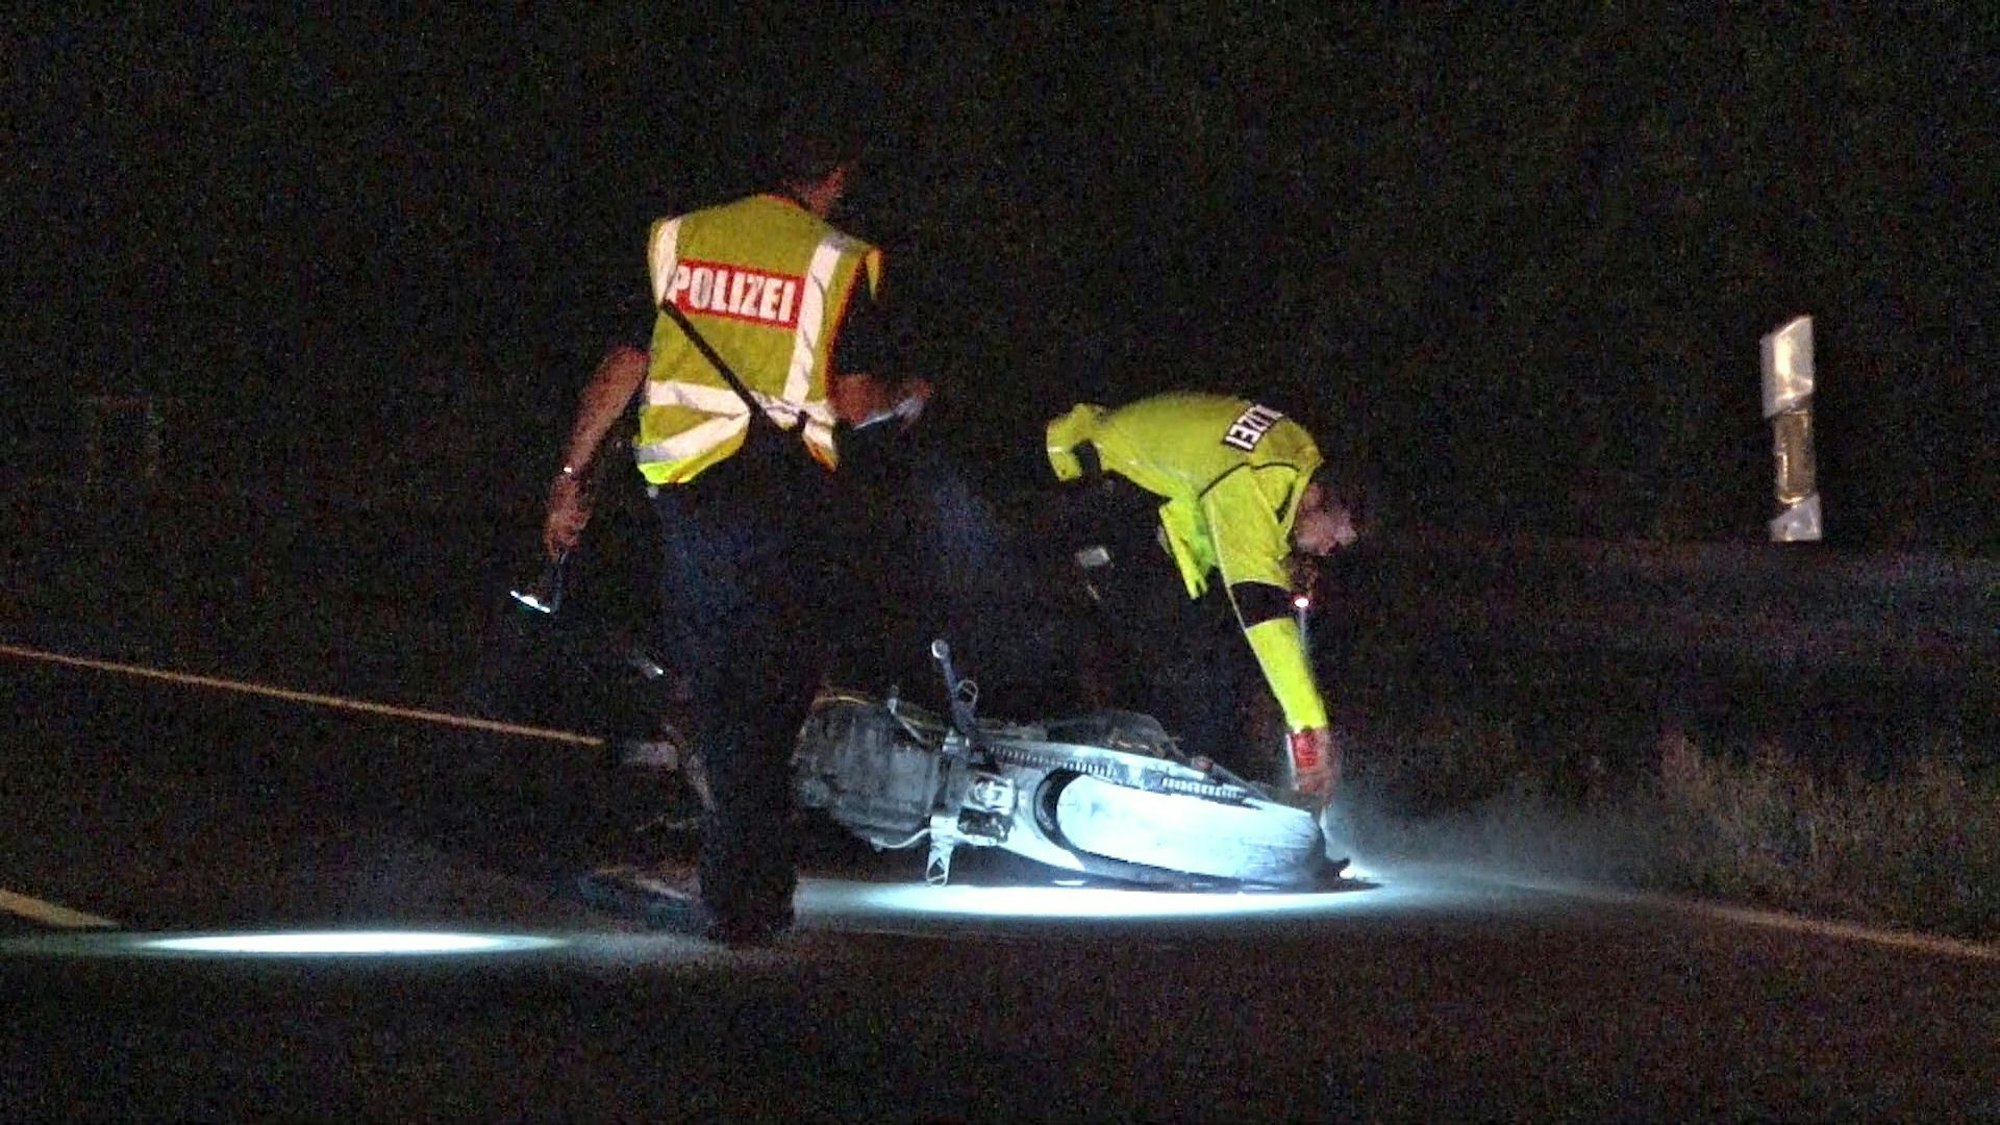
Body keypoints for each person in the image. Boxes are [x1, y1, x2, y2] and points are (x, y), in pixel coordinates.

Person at [541, 134, 926, 946]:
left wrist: (572, 473)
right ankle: (748, 885)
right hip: (788, 495)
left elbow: (624, 363)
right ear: (838, 177)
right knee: (774, 686)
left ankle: (742, 874)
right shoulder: (840, 258)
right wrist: (908, 395)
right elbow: (854, 400)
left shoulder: (681, 237)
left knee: (726, 683)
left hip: (691, 495)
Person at [1042, 392, 1362, 805]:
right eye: (1333, 536)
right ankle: (1155, 783)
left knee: (1208, 648)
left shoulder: (1291, 459)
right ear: (1316, 497)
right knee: (1182, 649)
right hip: (1096, 485)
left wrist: (1280, 560)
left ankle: (1186, 775)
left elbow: (1225, 530)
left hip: (1136, 501)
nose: (1328, 549)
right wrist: (1310, 728)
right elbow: (1260, 610)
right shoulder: (1255, 479)